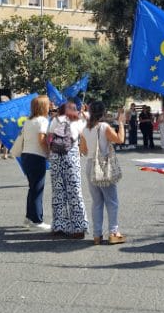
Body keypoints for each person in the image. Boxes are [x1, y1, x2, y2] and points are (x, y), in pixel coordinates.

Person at [81, 101, 127, 245]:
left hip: (90, 165)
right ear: (102, 113)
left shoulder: (85, 128)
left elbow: (83, 150)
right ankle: (113, 232)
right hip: (103, 166)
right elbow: (120, 139)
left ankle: (97, 234)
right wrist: (121, 123)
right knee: (112, 201)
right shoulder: (104, 127)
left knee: (97, 202)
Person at [48, 100, 88, 238]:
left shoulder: (55, 120)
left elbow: (49, 137)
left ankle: (59, 225)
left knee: (58, 191)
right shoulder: (78, 122)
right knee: (75, 191)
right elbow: (83, 137)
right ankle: (79, 227)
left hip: (56, 157)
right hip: (71, 156)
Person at [20, 95, 51, 230]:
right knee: (37, 189)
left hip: (26, 155)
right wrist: (48, 153)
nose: (49, 107)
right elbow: (41, 139)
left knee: (32, 187)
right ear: (43, 107)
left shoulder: (29, 121)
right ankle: (37, 220)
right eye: (48, 104)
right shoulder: (42, 121)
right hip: (37, 155)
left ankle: (29, 217)